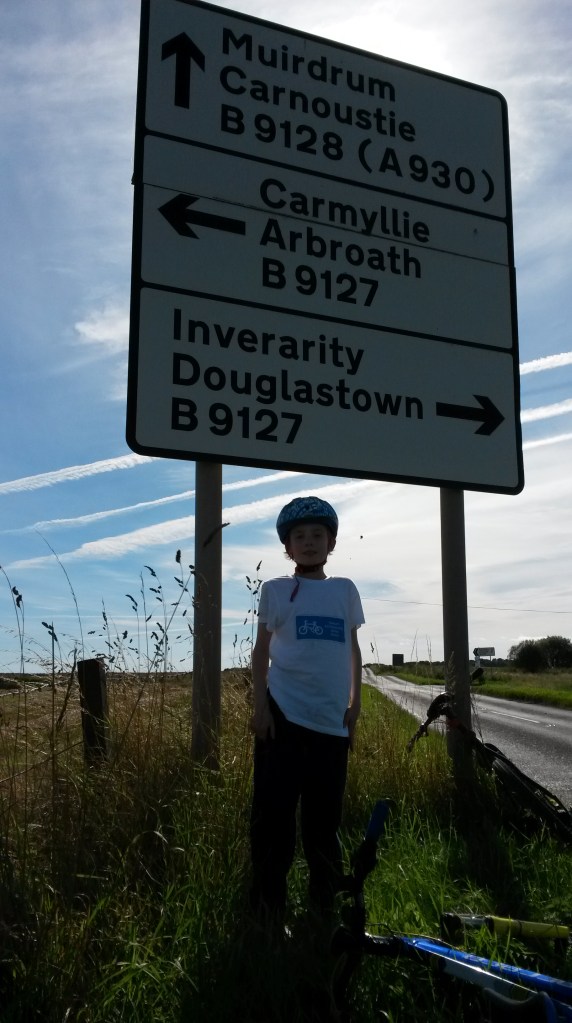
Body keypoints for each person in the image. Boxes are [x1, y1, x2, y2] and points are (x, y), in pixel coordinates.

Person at [249, 496, 364, 922]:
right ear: (288, 547)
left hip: (332, 723)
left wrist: (356, 703)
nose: (309, 542)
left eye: (318, 535)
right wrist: (260, 707)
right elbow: (261, 652)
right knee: (273, 819)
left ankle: (323, 910)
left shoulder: (344, 590)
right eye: (300, 536)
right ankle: (267, 910)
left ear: (331, 542)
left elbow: (352, 649)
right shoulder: (276, 590)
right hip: (282, 717)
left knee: (324, 823)